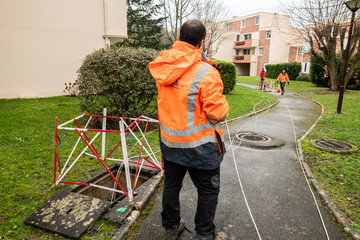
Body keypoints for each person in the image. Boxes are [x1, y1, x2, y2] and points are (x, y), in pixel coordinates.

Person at [149, 20, 229, 240]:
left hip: (169, 142)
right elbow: (217, 114)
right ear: (202, 42)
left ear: (178, 35)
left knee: (172, 185)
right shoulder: (208, 73)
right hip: (201, 147)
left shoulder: (164, 65)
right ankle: (204, 235)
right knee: (208, 191)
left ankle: (171, 226)